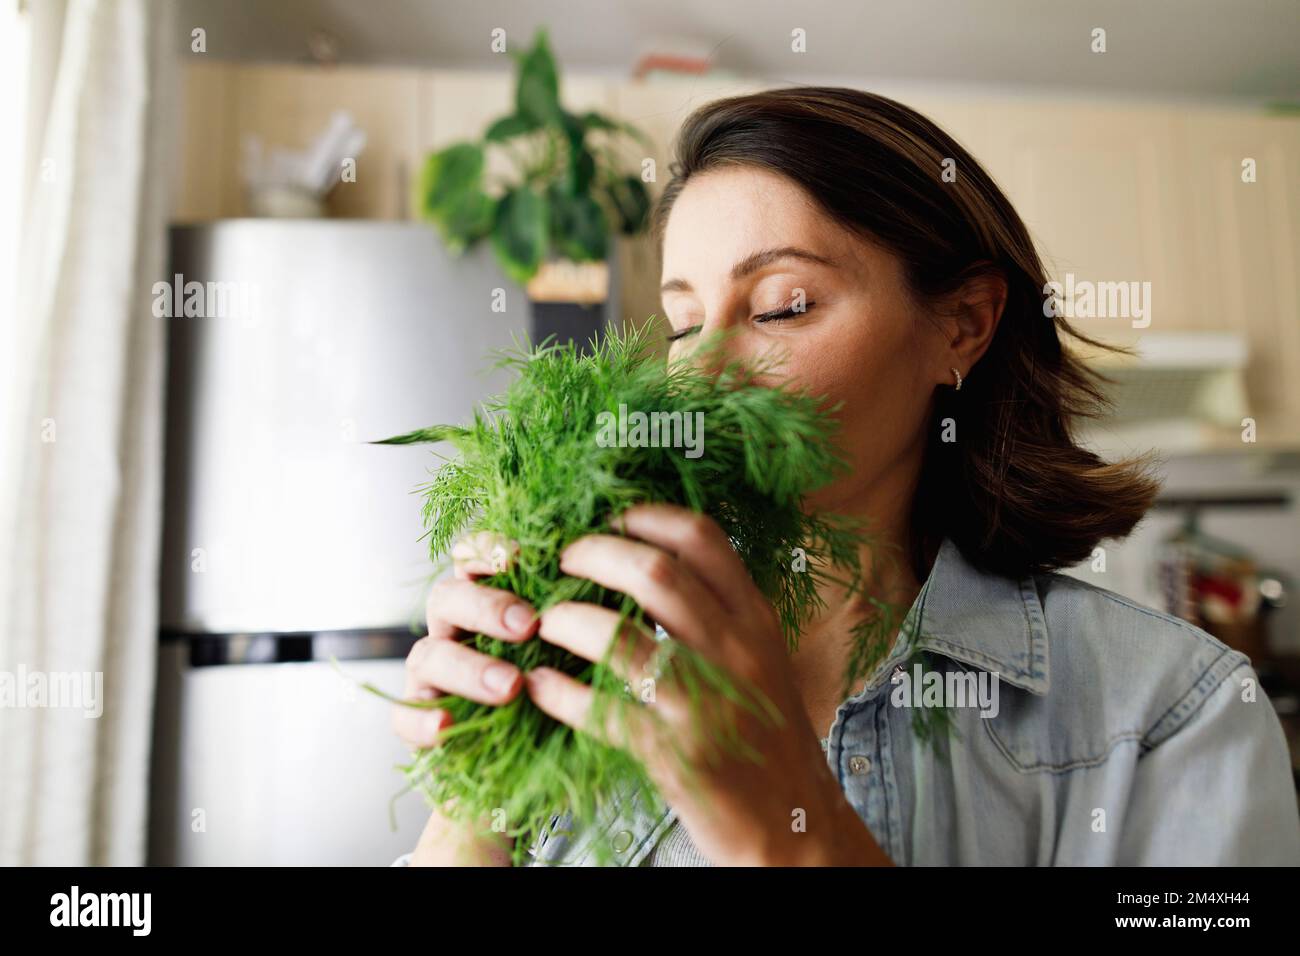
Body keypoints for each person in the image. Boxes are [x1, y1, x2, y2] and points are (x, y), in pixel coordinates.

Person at [391, 87, 1300, 866]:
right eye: (680, 324)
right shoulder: (589, 655)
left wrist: (798, 833)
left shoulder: (1172, 715)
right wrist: (473, 797)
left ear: (963, 325)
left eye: (782, 305)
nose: (702, 375)